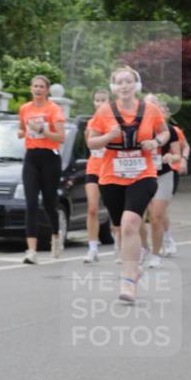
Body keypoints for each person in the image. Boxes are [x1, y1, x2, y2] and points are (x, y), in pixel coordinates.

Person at [86, 66, 169, 302]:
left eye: (128, 81)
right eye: (119, 82)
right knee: (121, 228)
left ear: (137, 85)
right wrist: (107, 137)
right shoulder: (104, 111)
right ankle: (135, 269)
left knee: (130, 222)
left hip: (143, 175)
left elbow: (164, 134)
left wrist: (154, 142)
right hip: (111, 177)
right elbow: (91, 143)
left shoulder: (150, 110)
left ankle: (128, 281)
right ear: (114, 87)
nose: (124, 86)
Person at [17, 75, 66, 263]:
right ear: (31, 89)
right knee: (30, 204)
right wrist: (23, 132)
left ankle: (55, 236)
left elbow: (61, 138)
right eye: (34, 86)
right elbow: (21, 129)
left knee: (48, 203)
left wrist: (42, 130)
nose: (37, 89)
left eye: (41, 87)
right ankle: (31, 251)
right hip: (31, 157)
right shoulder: (24, 109)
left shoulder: (54, 110)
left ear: (47, 90)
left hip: (50, 158)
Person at [140, 95, 182, 269]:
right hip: (142, 175)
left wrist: (170, 156)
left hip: (163, 176)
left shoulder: (169, 130)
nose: (150, 105)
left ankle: (156, 255)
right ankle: (144, 246)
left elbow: (177, 154)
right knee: (136, 217)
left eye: (153, 102)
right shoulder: (138, 127)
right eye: (147, 102)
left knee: (156, 217)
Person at [83, 88, 110, 264]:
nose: (99, 103)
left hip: (110, 169)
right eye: (97, 100)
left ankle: (121, 245)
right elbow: (90, 145)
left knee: (116, 211)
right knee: (92, 208)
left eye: (103, 100)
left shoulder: (115, 121)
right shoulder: (91, 123)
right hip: (93, 167)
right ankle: (93, 248)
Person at [163, 121, 190, 256]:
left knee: (162, 208)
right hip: (147, 172)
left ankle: (167, 239)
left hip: (170, 170)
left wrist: (183, 160)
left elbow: (185, 147)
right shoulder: (142, 127)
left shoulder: (173, 130)